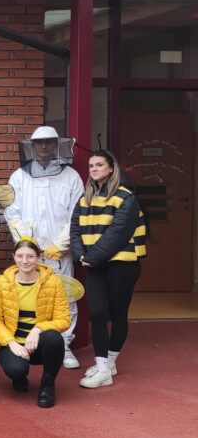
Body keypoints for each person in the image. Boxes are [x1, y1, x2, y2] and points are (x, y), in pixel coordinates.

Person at [6, 126, 85, 369]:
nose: (43, 146)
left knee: (64, 297)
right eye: (39, 143)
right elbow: (12, 212)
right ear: (31, 146)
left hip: (58, 253)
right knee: (28, 298)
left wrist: (60, 244)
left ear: (56, 145)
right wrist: (27, 244)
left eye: (48, 142)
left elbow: (77, 213)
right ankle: (27, 343)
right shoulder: (19, 177)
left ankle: (63, 345)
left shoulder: (71, 176)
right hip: (29, 255)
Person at [70, 150, 146, 390]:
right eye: (91, 165)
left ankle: (109, 363)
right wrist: (79, 254)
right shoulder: (85, 198)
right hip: (95, 264)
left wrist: (91, 257)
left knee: (118, 314)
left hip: (122, 265)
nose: (93, 169)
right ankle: (103, 367)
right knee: (97, 314)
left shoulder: (126, 197)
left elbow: (118, 233)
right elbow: (74, 229)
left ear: (111, 168)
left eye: (99, 165)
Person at [0, 239, 70, 408]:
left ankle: (47, 384)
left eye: (30, 256)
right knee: (16, 369)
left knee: (54, 339)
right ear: (14, 257)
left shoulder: (53, 283)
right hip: (13, 342)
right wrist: (10, 342)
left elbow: (64, 319)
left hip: (39, 343)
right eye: (20, 256)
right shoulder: (2, 283)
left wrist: (38, 329)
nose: (25, 261)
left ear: (38, 258)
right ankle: (20, 378)